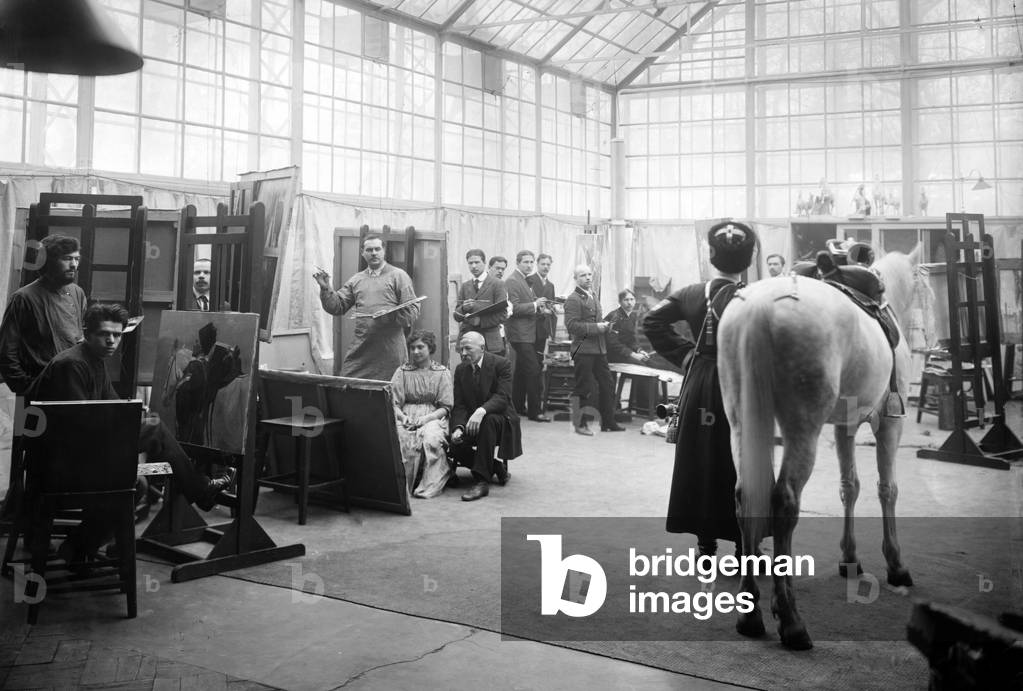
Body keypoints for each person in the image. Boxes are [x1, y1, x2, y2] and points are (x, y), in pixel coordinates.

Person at [27, 303, 236, 566]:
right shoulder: (72, 364)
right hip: (62, 465)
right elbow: (79, 428)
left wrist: (137, 413)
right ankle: (200, 488)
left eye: (117, 334)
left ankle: (77, 547)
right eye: (105, 334)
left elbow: (113, 409)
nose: (112, 340)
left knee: (139, 475)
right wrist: (137, 424)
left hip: (79, 454)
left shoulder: (94, 360)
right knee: (152, 435)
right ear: (87, 333)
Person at [643, 220, 762, 558]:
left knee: (701, 458)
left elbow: (651, 321)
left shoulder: (692, 293)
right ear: (750, 258)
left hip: (702, 381)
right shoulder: (758, 297)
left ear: (711, 254)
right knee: (746, 460)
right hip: (745, 384)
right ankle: (745, 546)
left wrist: (685, 357)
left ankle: (705, 544)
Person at [313, 235, 420, 381]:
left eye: (377, 249)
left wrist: (390, 316)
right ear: (363, 253)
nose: (374, 253)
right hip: (362, 348)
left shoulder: (399, 276)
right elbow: (337, 307)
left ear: (384, 251)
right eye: (369, 250)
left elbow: (412, 310)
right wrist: (326, 288)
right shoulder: (357, 279)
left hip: (390, 348)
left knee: (389, 392)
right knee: (349, 384)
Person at [0, 235, 88, 396]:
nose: (74, 265)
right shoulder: (23, 298)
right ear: (50, 261)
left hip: (72, 386)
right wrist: (26, 388)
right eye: (67, 259)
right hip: (38, 389)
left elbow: (78, 337)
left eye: (77, 259)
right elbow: (6, 352)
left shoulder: (77, 293)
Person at [450, 332, 521, 501]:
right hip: (474, 422)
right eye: (461, 349)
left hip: (501, 419)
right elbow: (459, 404)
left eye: (468, 348)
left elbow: (503, 398)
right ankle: (495, 466)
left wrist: (481, 411)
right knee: (452, 443)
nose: (463, 353)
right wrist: (458, 427)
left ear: (482, 348)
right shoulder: (461, 370)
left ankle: (481, 481)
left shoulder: (501, 364)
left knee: (488, 421)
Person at [390, 330, 454, 499]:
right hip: (405, 415)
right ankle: (402, 485)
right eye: (412, 348)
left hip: (434, 417)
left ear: (430, 348)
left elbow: (445, 407)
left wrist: (427, 418)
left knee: (430, 438)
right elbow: (393, 403)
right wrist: (403, 417)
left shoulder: (441, 372)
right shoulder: (402, 372)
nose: (415, 351)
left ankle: (429, 481)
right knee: (401, 437)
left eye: (420, 347)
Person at [564, 265, 624, 435]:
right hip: (583, 350)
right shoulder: (574, 299)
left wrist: (606, 327)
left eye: (590, 274)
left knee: (607, 384)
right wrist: (597, 327)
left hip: (599, 350)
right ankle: (579, 424)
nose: (588, 278)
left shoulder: (593, 295)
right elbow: (572, 326)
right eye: (583, 275)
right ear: (576, 278)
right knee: (583, 387)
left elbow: (595, 322)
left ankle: (608, 422)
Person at [504, 250, 550, 422]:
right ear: (517, 263)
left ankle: (518, 407)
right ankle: (535, 411)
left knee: (523, 371)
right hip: (519, 334)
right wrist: (534, 304)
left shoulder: (522, 279)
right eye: (526, 262)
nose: (529, 265)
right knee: (533, 370)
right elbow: (513, 308)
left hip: (527, 334)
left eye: (531, 262)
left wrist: (540, 309)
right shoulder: (512, 281)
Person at [454, 249, 508, 356]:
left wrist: (480, 321)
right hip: (467, 341)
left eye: (477, 262)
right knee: (468, 371)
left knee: (487, 372)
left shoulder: (497, 284)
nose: (474, 266)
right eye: (470, 263)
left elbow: (503, 315)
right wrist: (464, 308)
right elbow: (457, 316)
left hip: (489, 342)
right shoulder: (465, 286)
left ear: (484, 263)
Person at [604, 289, 650, 365]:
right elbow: (612, 343)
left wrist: (639, 350)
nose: (629, 303)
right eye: (626, 300)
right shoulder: (614, 316)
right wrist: (633, 355)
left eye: (632, 299)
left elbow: (631, 340)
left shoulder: (632, 316)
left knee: (650, 363)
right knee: (641, 366)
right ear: (620, 302)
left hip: (626, 352)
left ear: (635, 301)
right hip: (613, 354)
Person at [526, 253, 556, 364]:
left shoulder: (550, 285)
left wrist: (550, 310)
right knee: (529, 361)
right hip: (530, 326)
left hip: (542, 328)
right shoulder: (529, 280)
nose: (546, 267)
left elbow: (551, 305)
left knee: (539, 360)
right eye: (543, 264)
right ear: (537, 264)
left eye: (548, 264)